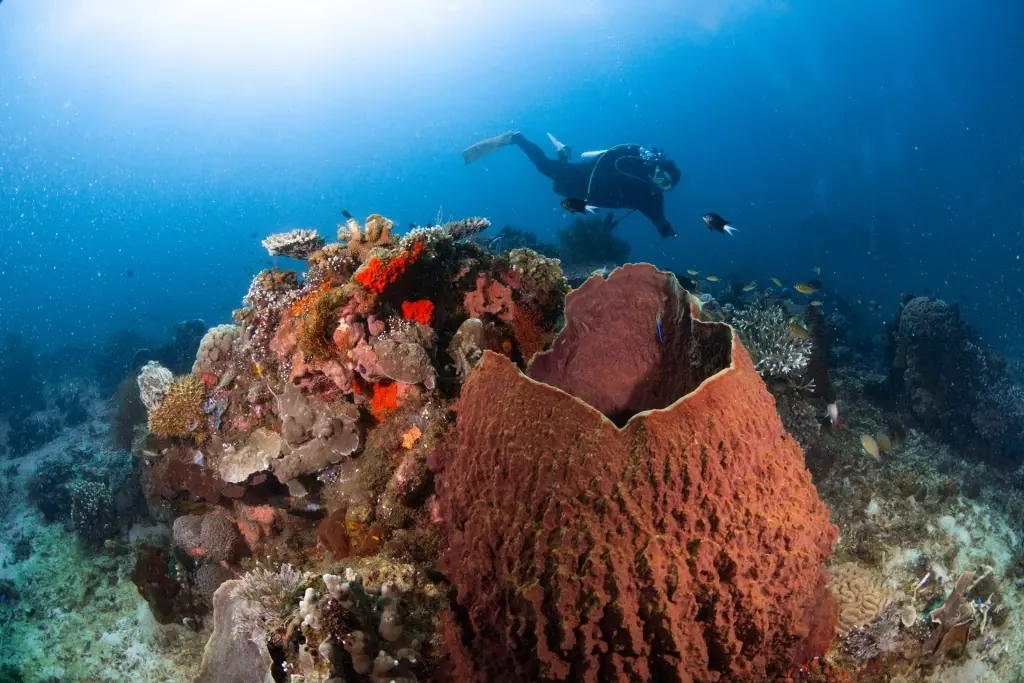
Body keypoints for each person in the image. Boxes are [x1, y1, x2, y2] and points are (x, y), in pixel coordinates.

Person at [462, 130, 681, 238]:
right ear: (657, 166)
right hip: (583, 177)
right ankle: (517, 138)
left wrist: (665, 228)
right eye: (661, 176)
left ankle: (563, 154)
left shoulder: (652, 197)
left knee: (557, 188)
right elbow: (609, 160)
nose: (659, 184)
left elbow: (657, 216)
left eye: (665, 185)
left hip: (585, 195)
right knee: (545, 168)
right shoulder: (632, 163)